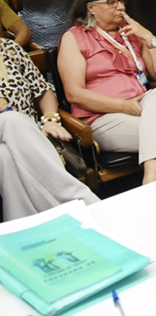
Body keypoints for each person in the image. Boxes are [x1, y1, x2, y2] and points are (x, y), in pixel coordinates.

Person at [58, 0, 156, 185]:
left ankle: (152, 185)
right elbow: (74, 93)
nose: (120, 7)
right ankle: (155, 183)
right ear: (91, 7)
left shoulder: (131, 33)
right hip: (102, 118)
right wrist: (123, 106)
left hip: (142, 108)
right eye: (112, 2)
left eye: (122, 1)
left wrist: (148, 37)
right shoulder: (74, 37)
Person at [0, 37, 101, 220]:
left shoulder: (9, 48)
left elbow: (42, 89)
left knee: (5, 156)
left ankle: (22, 225)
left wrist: (50, 119)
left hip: (26, 136)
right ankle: (80, 201)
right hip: (15, 125)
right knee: (11, 119)